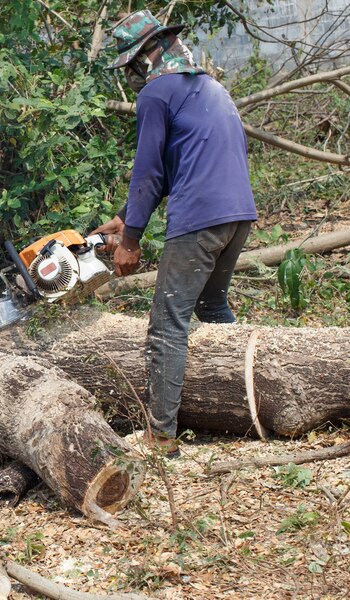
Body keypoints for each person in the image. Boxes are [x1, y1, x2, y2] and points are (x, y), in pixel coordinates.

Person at [91, 9, 257, 456]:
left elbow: (147, 170)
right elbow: (174, 164)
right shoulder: (212, 88)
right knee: (211, 303)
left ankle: (161, 437)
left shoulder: (156, 93)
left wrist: (130, 243)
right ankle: (253, 401)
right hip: (238, 214)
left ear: (145, 56)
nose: (129, 74)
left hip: (199, 217)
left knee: (165, 327)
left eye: (129, 64)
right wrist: (128, 217)